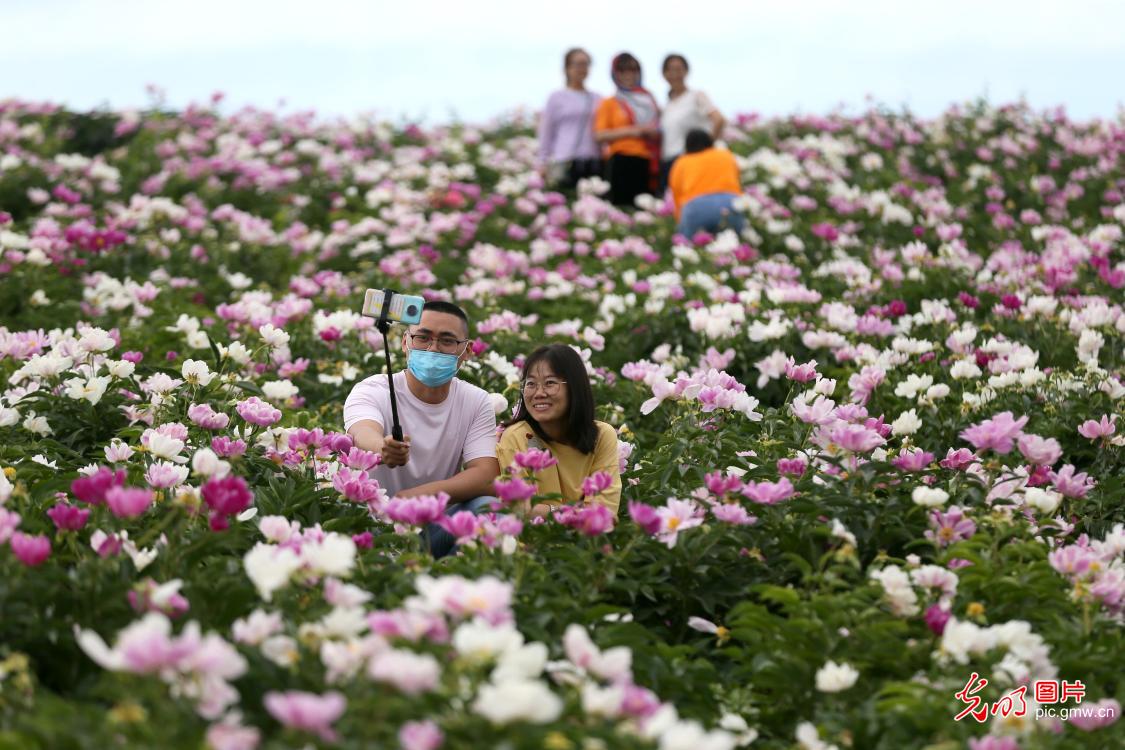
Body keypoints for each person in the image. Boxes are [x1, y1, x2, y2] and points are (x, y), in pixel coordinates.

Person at [344, 300, 501, 557]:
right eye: (423, 337)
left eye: (447, 341)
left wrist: (412, 498)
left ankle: (450, 587)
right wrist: (382, 448)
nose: (433, 348)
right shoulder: (373, 390)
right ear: (405, 342)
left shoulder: (475, 400)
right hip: (373, 531)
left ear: (468, 350)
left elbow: (485, 475)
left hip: (431, 530)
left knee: (488, 507)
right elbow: (361, 431)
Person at [497, 344, 621, 517]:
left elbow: (603, 513)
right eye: (531, 383)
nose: (539, 393)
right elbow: (518, 508)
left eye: (550, 383)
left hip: (586, 541)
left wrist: (544, 512)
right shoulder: (517, 437)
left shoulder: (601, 436)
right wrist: (566, 513)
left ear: (574, 388)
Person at [593, 52, 661, 208]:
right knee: (621, 207)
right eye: (622, 71)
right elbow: (599, 135)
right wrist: (633, 131)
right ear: (615, 74)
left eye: (633, 70)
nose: (628, 75)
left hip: (647, 161)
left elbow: (658, 127)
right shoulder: (609, 103)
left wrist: (652, 133)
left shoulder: (649, 100)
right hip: (621, 161)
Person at [659, 54, 725, 194]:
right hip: (668, 162)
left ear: (686, 72)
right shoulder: (667, 106)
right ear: (664, 74)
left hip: (689, 159)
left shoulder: (696, 96)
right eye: (670, 70)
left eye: (679, 69)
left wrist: (704, 149)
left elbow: (719, 120)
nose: (675, 74)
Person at [538, 48, 603, 191]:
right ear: (567, 67)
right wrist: (542, 162)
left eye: (586, 64)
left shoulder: (597, 98)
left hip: (592, 161)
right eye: (578, 64)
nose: (582, 69)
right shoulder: (556, 97)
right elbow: (546, 132)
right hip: (565, 161)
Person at [668, 128, 745, 238]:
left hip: (696, 205)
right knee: (733, 243)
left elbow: (677, 193)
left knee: (690, 246)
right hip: (730, 202)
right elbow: (737, 178)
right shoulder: (725, 155)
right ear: (710, 141)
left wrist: (681, 221)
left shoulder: (682, 162)